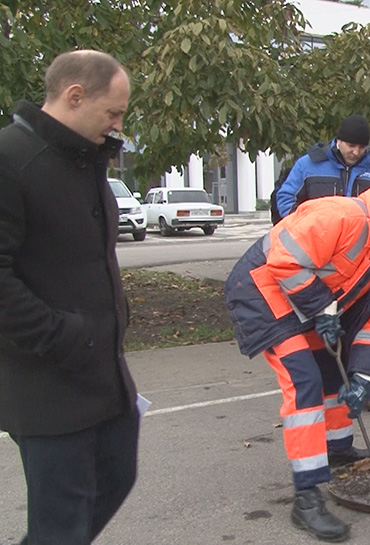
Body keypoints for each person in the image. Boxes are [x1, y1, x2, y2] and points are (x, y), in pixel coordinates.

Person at [224, 185, 370, 541]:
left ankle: (338, 447)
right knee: (305, 384)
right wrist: (322, 308)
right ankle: (306, 498)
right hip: (261, 289)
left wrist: (364, 379)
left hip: (305, 300)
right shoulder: (345, 217)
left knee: (336, 373)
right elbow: (284, 261)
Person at [0, 50, 140, 545]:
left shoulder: (85, 160)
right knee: (62, 522)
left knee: (116, 479)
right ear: (74, 96)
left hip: (104, 375)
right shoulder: (11, 158)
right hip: (47, 383)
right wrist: (64, 336)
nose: (118, 125)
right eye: (114, 112)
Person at [273, 113, 370, 418]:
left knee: (363, 324)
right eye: (351, 145)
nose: (356, 152)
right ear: (337, 140)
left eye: (362, 147)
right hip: (317, 260)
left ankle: (366, 391)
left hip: (359, 265)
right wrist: (303, 231)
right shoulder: (309, 164)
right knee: (321, 328)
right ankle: (322, 392)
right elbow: (285, 197)